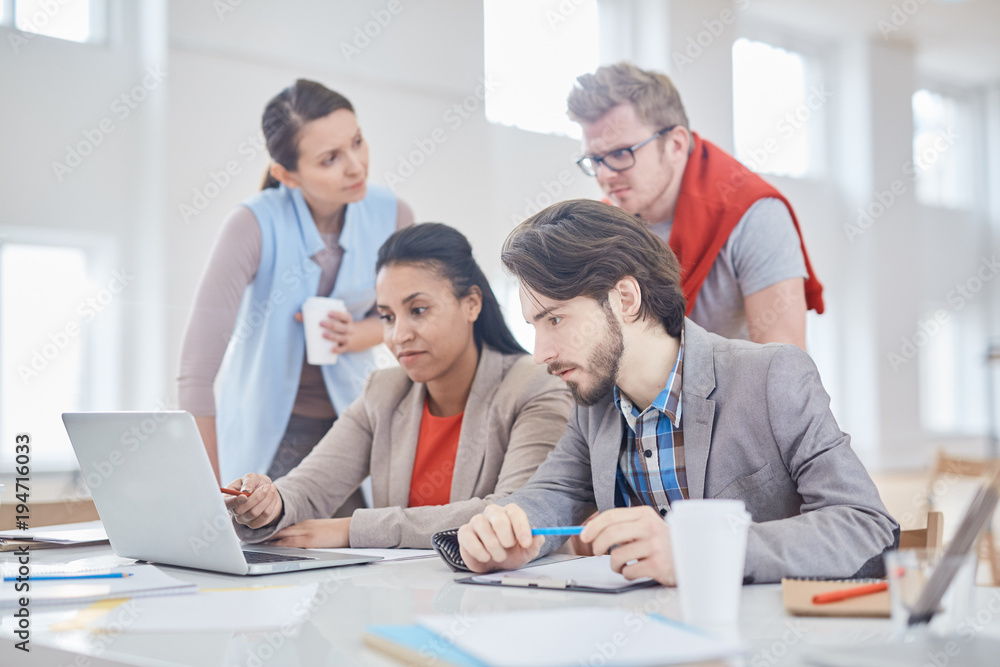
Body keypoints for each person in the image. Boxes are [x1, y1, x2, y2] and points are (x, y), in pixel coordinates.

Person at [454, 200, 898, 585]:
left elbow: (868, 527)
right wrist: (504, 531)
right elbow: (551, 495)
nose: (540, 354)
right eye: (535, 327)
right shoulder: (596, 404)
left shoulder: (771, 377)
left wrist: (702, 552)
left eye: (555, 320)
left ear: (625, 299)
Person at [223, 223, 574, 549]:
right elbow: (310, 487)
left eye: (418, 310)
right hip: (400, 598)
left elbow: (513, 514)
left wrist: (350, 531)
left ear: (472, 304)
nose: (399, 335)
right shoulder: (384, 390)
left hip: (495, 602)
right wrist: (268, 502)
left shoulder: (533, 387)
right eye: (387, 317)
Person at [178, 80, 414, 518]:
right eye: (330, 159)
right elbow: (195, 373)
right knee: (269, 562)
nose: (356, 165)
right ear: (287, 174)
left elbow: (411, 317)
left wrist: (360, 333)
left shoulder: (393, 214)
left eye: (358, 142)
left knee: (361, 564)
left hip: (353, 428)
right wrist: (207, 496)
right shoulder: (251, 224)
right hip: (270, 434)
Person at [567, 62, 824, 349]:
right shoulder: (604, 229)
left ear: (676, 144)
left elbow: (783, 373)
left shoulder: (754, 215)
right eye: (595, 160)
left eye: (621, 153)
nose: (605, 175)